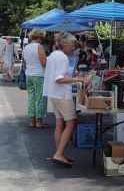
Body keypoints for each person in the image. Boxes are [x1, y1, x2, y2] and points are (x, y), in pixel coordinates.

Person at [43, 32, 91, 167]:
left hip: (54, 94)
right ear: (64, 44)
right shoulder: (62, 57)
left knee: (60, 124)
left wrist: (71, 76)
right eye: (72, 44)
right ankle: (58, 154)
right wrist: (79, 79)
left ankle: (60, 152)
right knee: (71, 123)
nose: (73, 47)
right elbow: (59, 79)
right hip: (62, 95)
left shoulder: (53, 55)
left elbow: (57, 76)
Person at [22, 29, 48, 128]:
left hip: (28, 74)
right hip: (39, 75)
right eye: (42, 38)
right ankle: (39, 122)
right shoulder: (39, 47)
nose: (42, 40)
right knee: (40, 98)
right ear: (39, 37)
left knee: (31, 97)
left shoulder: (26, 47)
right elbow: (43, 62)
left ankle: (32, 121)